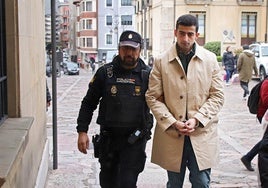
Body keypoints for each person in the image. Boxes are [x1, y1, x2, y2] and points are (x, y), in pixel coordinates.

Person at [145, 14, 224, 188]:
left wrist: (197, 119)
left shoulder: (210, 60)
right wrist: (172, 121)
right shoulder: (161, 61)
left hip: (202, 134)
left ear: (197, 34)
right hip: (173, 135)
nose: (185, 39)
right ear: (175, 32)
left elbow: (217, 96)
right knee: (174, 184)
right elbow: (153, 97)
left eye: (190, 34)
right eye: (182, 33)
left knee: (202, 183)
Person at [76, 30, 153, 188]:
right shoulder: (105, 73)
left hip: (135, 140)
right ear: (119, 49)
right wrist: (82, 131)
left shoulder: (148, 75)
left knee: (128, 182)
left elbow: (160, 103)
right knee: (108, 182)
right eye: (125, 48)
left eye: (133, 49)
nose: (129, 53)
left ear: (139, 50)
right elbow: (89, 102)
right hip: (109, 139)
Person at [241, 78, 268, 171]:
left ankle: (248, 157)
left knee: (266, 140)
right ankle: (248, 157)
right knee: (266, 140)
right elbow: (265, 100)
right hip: (264, 115)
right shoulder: (267, 83)